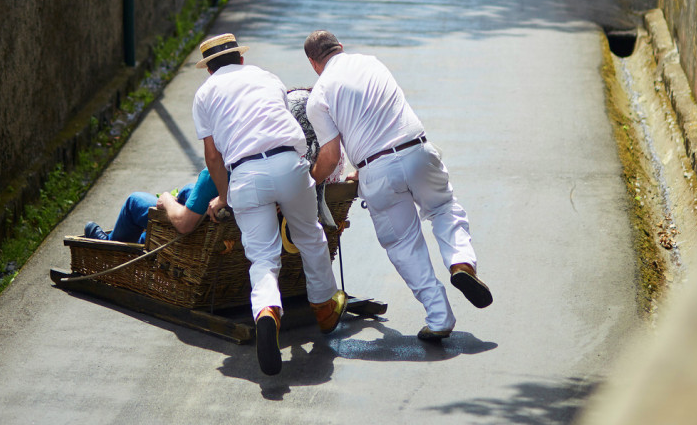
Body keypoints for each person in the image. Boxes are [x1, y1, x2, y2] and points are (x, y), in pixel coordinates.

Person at [157, 33, 347, 376]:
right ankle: (323, 308)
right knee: (309, 236)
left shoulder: (205, 94)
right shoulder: (266, 77)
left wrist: (226, 196)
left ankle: (267, 311)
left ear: (209, 69)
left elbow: (213, 157)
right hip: (288, 163)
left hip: (245, 174)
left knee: (262, 257)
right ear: (240, 59)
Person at [302, 30, 492, 343]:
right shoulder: (371, 63)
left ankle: (440, 318)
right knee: (444, 208)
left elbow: (331, 154)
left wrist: (310, 181)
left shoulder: (319, 95)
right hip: (416, 150)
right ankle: (461, 262)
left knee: (404, 244)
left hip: (376, 171)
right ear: (341, 48)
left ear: (313, 62)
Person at [83, 174, 217, 244]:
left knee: (134, 201)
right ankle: (143, 238)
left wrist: (167, 200)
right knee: (187, 191)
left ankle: (109, 245)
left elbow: (184, 224)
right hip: (210, 221)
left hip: (193, 230)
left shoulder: (215, 169)